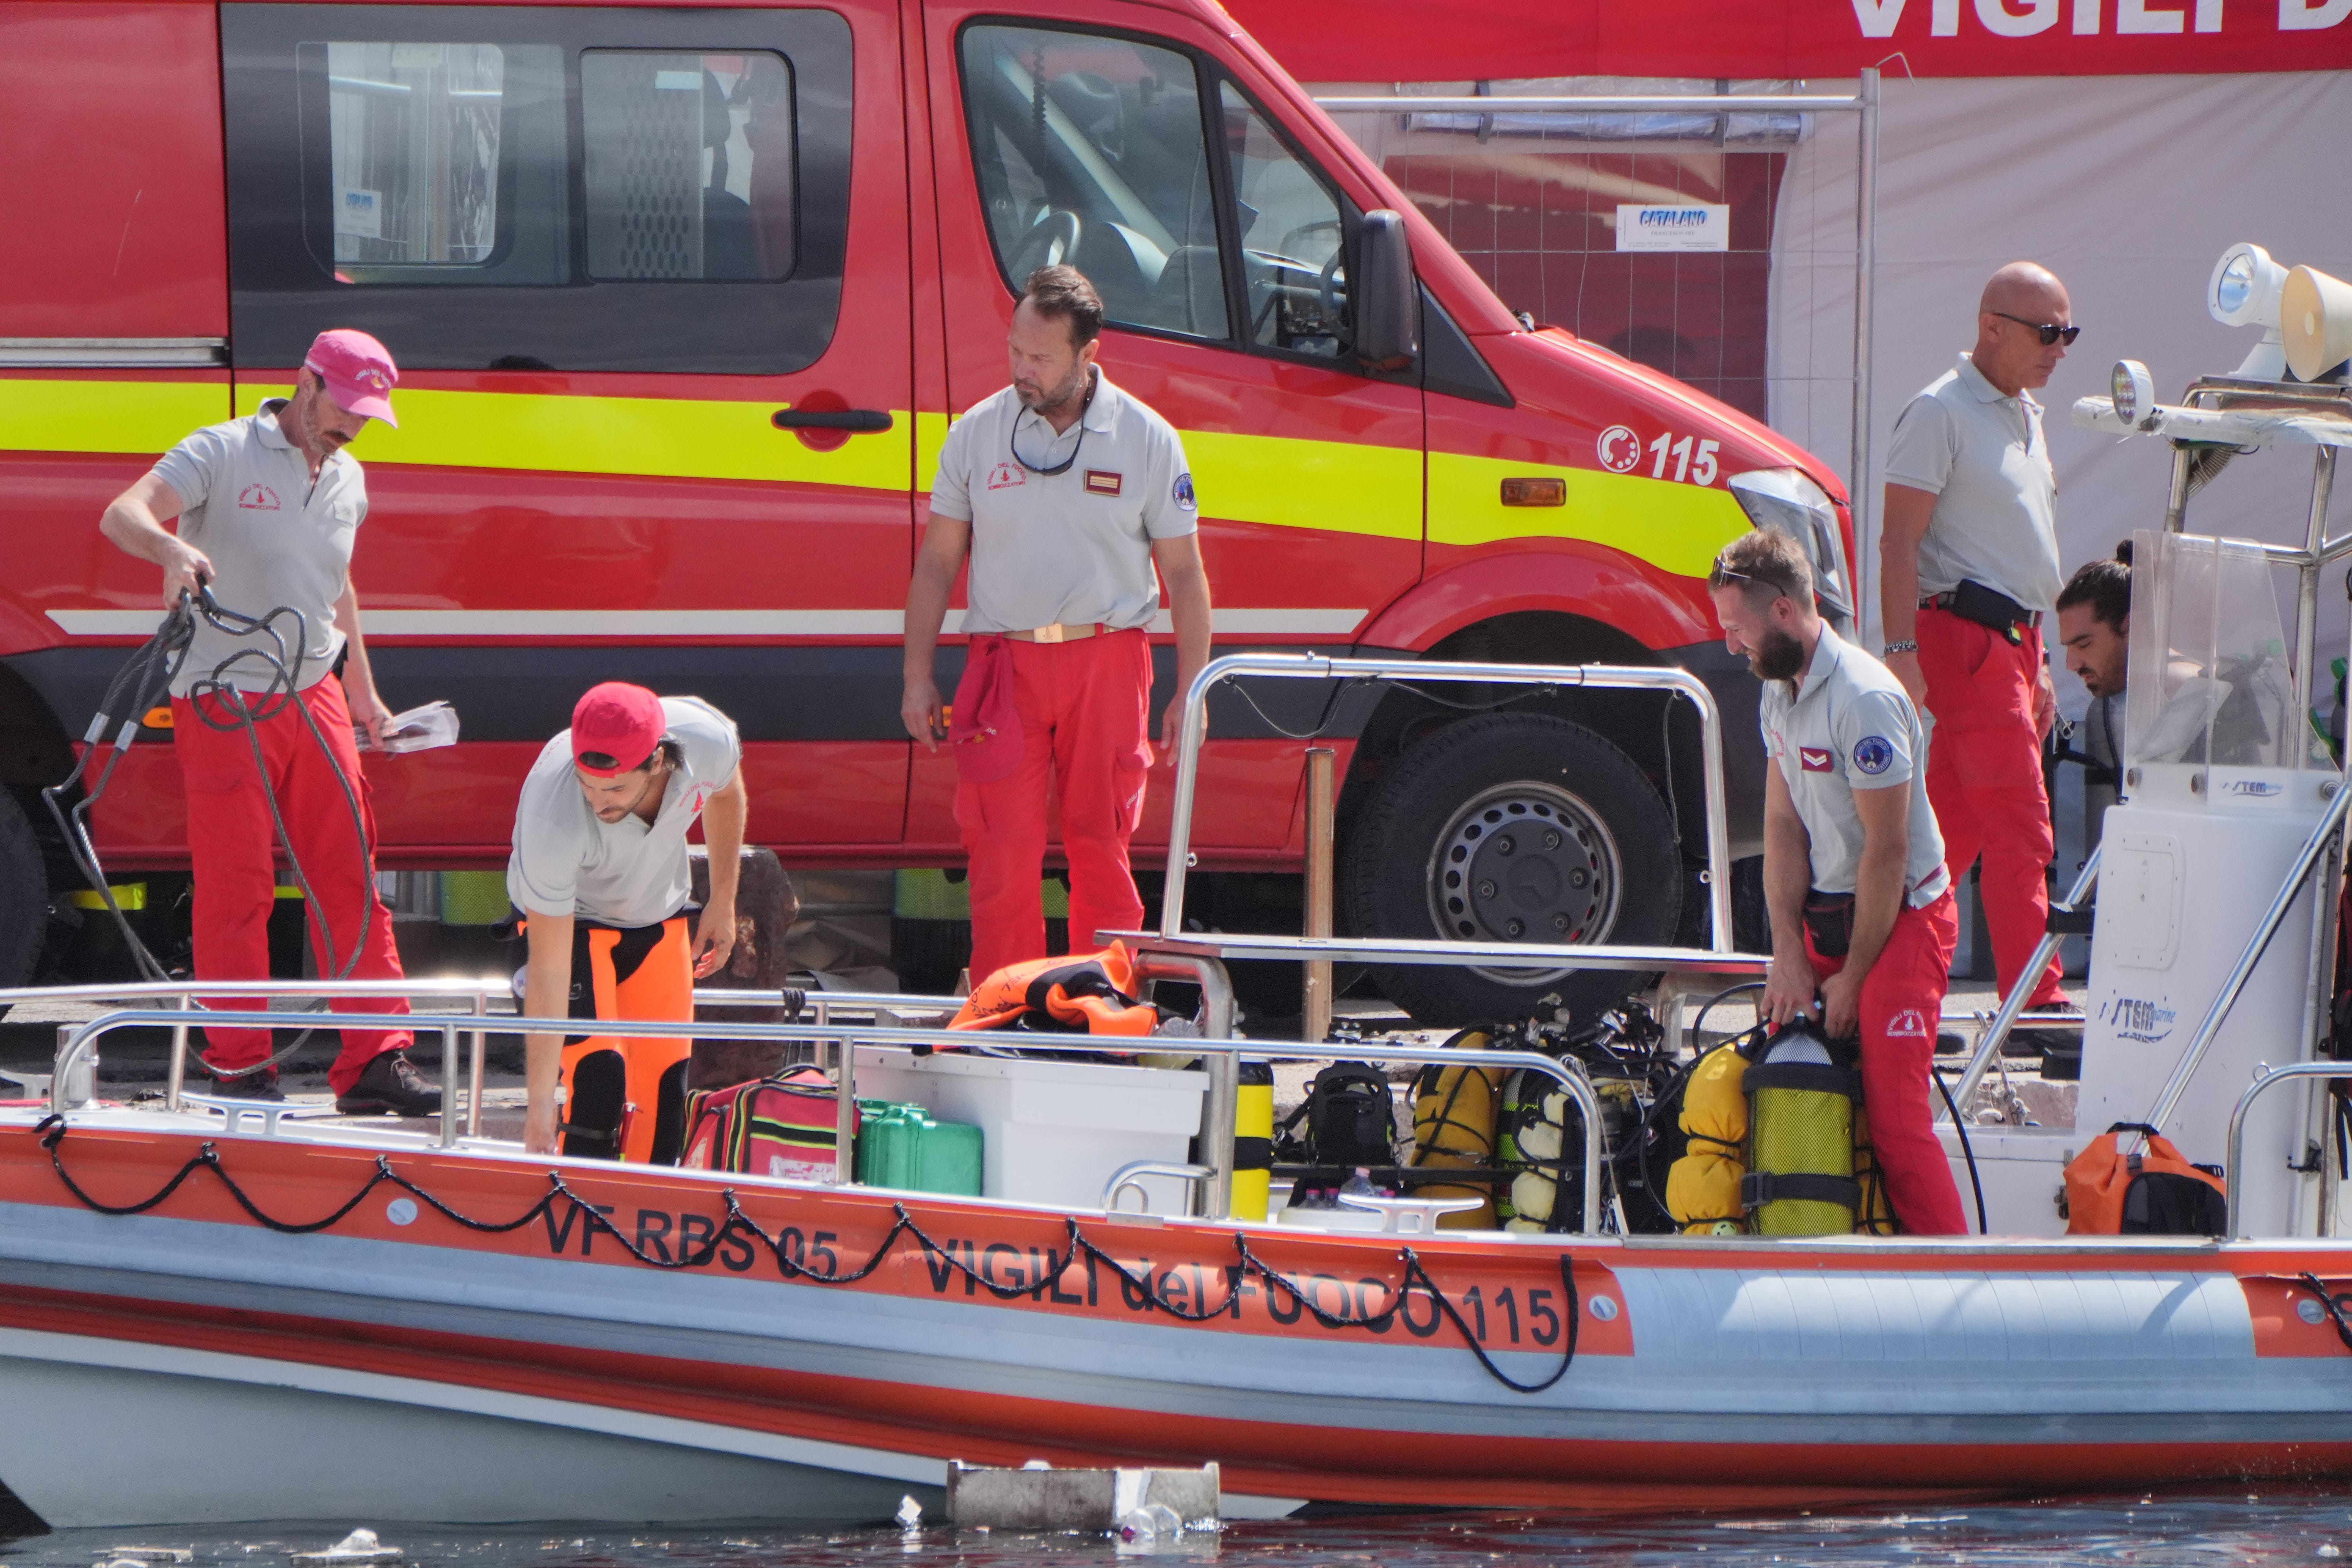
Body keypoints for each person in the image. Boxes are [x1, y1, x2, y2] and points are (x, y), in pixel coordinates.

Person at [97, 328, 437, 1114]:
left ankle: (377, 1060)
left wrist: (364, 693)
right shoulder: (221, 448)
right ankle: (241, 1063)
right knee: (238, 885)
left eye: (366, 414)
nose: (351, 426)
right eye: (344, 407)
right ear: (305, 381)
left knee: (350, 873)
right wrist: (169, 552)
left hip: (312, 686)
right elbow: (123, 513)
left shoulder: (349, 476)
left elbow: (335, 581)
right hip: (221, 694)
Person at [901, 265, 1212, 984]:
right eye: (1015, 351)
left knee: (1100, 840)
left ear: (1088, 356)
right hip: (1003, 666)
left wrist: (1191, 689)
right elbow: (936, 563)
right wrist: (917, 677)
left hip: (1107, 660)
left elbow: (1187, 574)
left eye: (1040, 358)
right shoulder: (976, 434)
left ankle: (1107, 1009)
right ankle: (1003, 1008)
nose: (1022, 370)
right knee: (998, 848)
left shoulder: (1146, 437)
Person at [1710, 528, 1968, 1236]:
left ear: (1786, 613)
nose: (1734, 647)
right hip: (1830, 909)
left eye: (1740, 630)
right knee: (1784, 1075)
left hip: (1903, 915)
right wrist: (1786, 951)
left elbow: (1887, 852)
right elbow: (1782, 826)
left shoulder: (1865, 699)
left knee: (1895, 1121)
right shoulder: (1778, 691)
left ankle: (1954, 1277)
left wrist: (1853, 977)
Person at [1879, 261, 2076, 1023]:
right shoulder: (1941, 411)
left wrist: (2044, 656)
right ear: (1992, 327)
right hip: (1966, 635)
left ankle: (1894, 993)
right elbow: (1899, 541)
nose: (2061, 348)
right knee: (2022, 827)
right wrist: (1900, 650)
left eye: (2069, 332)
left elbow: (2026, 551)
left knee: (1945, 840)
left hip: (2008, 641)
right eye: (2049, 332)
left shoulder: (2024, 412)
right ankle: (2034, 1001)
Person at [510, 682, 746, 1161]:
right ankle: (574, 1218)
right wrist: (537, 1107)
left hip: (656, 916)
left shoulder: (706, 738)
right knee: (598, 1081)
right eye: (587, 784)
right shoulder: (552, 818)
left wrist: (723, 900)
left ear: (659, 761)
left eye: (615, 787)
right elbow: (550, 970)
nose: (598, 803)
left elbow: (727, 794)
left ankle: (644, 1221)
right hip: (572, 925)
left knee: (666, 1098)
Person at [2054, 545, 2131, 854]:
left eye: (2084, 645)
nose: (2071, 665)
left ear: (2130, 626)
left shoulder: (2198, 697)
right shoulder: (2104, 708)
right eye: (2068, 649)